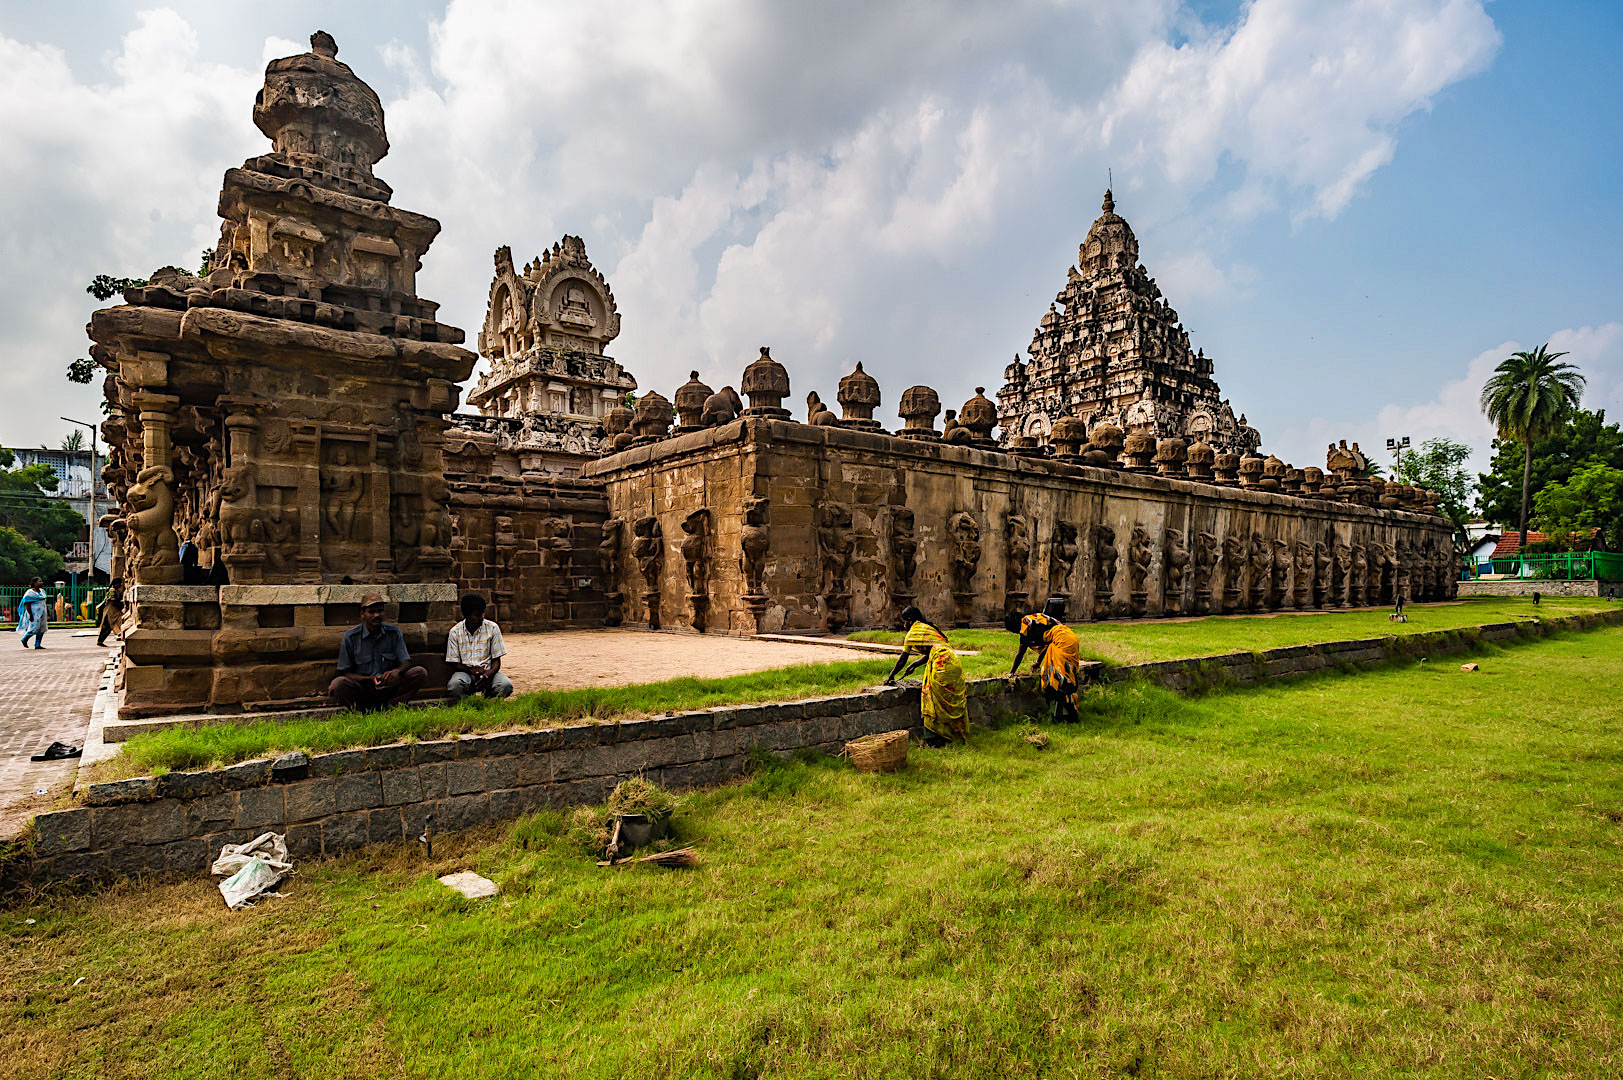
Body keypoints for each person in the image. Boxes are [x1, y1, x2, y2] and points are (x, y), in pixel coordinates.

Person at [328, 593, 427, 712]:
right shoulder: (351, 637)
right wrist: (369, 679)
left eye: (380, 611)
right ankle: (362, 710)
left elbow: (406, 661)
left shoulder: (393, 633)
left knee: (419, 672)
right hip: (364, 688)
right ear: (362, 614)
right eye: (371, 612)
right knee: (338, 684)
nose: (376, 615)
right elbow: (345, 672)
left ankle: (393, 707)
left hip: (390, 686)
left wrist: (396, 672)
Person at [884, 605, 967, 747]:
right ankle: (954, 735)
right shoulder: (930, 627)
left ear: (910, 621)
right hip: (954, 661)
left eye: (904, 621)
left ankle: (934, 739)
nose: (904, 625)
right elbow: (936, 649)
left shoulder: (912, 634)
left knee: (931, 698)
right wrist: (915, 664)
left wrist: (890, 677)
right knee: (949, 698)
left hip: (941, 663)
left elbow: (902, 659)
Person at [1004, 609, 1082, 723]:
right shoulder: (1035, 618)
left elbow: (1020, 653)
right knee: (1067, 677)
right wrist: (1038, 663)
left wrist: (1011, 672)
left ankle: (1066, 715)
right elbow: (1047, 646)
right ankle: (1069, 713)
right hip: (1070, 637)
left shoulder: (1025, 626)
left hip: (1062, 641)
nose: (1017, 634)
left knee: (1056, 681)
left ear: (1014, 626)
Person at [445, 593, 514, 701]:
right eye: (477, 615)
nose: (481, 617)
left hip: (488, 671)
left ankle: (488, 702)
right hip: (466, 673)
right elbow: (455, 663)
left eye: (482, 613)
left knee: (505, 685)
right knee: (454, 686)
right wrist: (471, 670)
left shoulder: (492, 628)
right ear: (467, 616)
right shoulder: (455, 632)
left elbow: (496, 661)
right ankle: (470, 704)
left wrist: (488, 675)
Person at [16, 578, 47, 650]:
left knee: (42, 628)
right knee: (34, 628)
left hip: (42, 612)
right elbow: (27, 604)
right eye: (39, 581)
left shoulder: (42, 592)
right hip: (34, 613)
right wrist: (30, 615)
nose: (41, 583)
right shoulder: (30, 593)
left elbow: (43, 602)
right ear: (35, 583)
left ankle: (37, 644)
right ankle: (24, 639)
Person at [96, 577, 125, 647]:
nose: (120, 585)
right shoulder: (112, 591)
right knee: (110, 625)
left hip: (114, 610)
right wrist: (121, 603)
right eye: (119, 583)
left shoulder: (116, 590)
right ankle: (100, 641)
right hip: (110, 610)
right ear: (115, 584)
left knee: (107, 627)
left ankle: (100, 641)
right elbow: (112, 600)